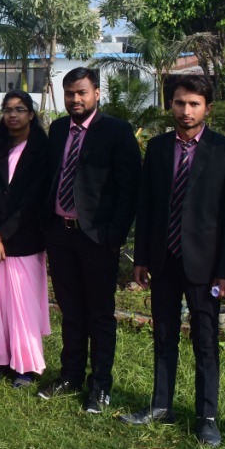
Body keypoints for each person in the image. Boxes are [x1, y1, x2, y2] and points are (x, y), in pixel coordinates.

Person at [123, 76, 225, 446]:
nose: (186, 111)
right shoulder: (158, 148)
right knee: (163, 335)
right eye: (179, 103)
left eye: (194, 104)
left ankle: (207, 417)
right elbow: (146, 205)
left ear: (208, 108)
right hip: (164, 259)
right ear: (170, 105)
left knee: (205, 340)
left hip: (206, 266)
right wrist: (142, 257)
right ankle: (161, 405)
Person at [38, 67, 140, 412]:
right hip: (60, 234)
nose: (75, 99)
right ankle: (70, 375)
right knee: (70, 310)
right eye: (70, 93)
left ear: (97, 93)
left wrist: (113, 236)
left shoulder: (117, 131)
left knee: (99, 314)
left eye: (82, 92)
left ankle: (100, 385)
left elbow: (129, 189)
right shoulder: (57, 129)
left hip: (97, 237)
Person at [0, 90, 51, 388]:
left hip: (24, 239)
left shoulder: (42, 149)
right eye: (7, 109)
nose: (12, 114)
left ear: (31, 114)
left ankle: (26, 365)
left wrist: (3, 234)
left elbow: (34, 198)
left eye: (19, 109)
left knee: (23, 305)